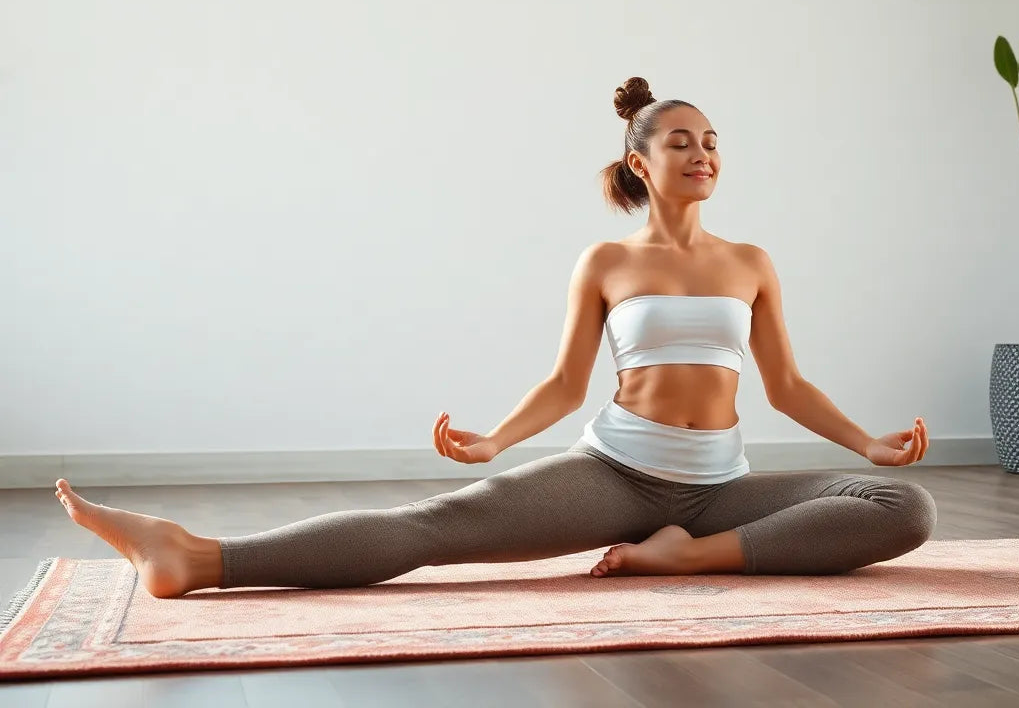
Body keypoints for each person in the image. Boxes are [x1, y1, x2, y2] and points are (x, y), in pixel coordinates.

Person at [53, 77, 935, 599]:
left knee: (904, 508)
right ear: (641, 162)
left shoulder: (750, 262)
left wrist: (866, 444)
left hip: (719, 491)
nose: (703, 153)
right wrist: (496, 441)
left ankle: (689, 558)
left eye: (711, 142)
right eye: (681, 143)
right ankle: (197, 558)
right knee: (435, 527)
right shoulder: (605, 262)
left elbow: (785, 386)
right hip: (616, 475)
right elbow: (566, 383)